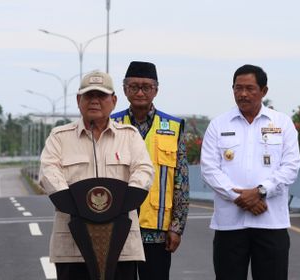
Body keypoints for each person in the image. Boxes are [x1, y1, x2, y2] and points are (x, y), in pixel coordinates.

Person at [39, 71, 154, 280]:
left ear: (114, 100)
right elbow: (48, 173)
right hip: (72, 246)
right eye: (88, 95)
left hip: (122, 244)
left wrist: (121, 202)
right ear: (78, 100)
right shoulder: (59, 137)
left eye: (100, 96)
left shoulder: (129, 136)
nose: (94, 101)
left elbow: (144, 170)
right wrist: (79, 206)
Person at [201, 64, 300, 280]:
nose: (243, 94)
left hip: (271, 222)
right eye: (238, 88)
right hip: (229, 225)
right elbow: (209, 169)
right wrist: (240, 196)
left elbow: (291, 166)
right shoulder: (218, 125)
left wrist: (260, 191)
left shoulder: (282, 123)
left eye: (249, 88)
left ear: (264, 91)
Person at [111, 61, 190, 280]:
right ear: (125, 89)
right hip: (117, 226)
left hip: (157, 230)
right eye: (134, 86)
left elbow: (181, 182)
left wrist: (177, 227)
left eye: (146, 87)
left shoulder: (173, 127)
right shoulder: (110, 124)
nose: (140, 92)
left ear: (156, 90)